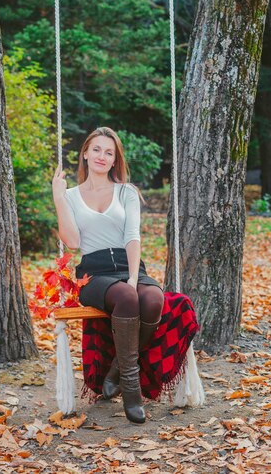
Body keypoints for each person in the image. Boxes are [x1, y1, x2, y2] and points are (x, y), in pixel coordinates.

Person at [52, 126, 165, 424]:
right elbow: (73, 243)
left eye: (109, 152)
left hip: (128, 266)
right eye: (97, 150)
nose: (102, 156)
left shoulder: (126, 192)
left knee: (153, 297)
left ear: (115, 160)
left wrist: (131, 275)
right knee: (128, 296)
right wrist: (59, 199)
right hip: (94, 273)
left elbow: (132, 236)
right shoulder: (72, 196)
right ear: (86, 154)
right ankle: (131, 389)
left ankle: (116, 368)